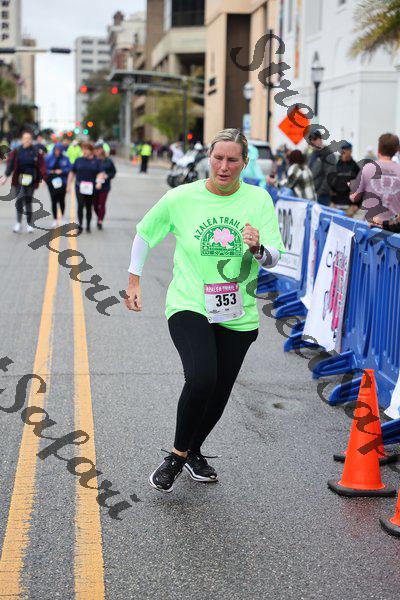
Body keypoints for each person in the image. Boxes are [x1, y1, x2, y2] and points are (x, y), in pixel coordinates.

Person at [124, 128, 285, 493]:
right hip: (190, 302)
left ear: (244, 162)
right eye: (218, 158)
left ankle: (193, 451)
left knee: (219, 391)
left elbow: (275, 257)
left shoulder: (258, 199)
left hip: (237, 311)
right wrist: (134, 281)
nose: (224, 166)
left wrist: (259, 249)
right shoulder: (181, 197)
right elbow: (145, 233)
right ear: (208, 158)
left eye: (232, 160)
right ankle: (176, 456)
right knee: (202, 378)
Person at [0, 130, 47, 233]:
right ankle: (18, 223)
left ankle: (29, 224)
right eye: (25, 138)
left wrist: (43, 178)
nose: (27, 140)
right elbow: (10, 165)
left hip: (31, 180)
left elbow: (41, 165)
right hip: (19, 180)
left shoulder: (35, 151)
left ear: (31, 140)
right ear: (22, 139)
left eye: (29, 139)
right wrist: (5, 177)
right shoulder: (17, 151)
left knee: (28, 201)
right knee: (19, 200)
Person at [350, 133, 400, 222]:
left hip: (371, 225)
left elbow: (354, 197)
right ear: (396, 150)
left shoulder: (368, 168)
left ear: (379, 148)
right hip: (393, 226)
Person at [66, 142, 103, 234]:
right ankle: (80, 226)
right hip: (80, 186)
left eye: (86, 149)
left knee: (89, 207)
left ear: (91, 151)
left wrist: (99, 182)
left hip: (91, 187)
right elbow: (72, 172)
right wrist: (68, 185)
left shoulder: (97, 161)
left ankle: (88, 225)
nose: (84, 151)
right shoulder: (78, 160)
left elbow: (100, 173)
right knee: (80, 205)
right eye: (83, 149)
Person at [327, 141, 360, 212]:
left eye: (346, 150)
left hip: (349, 205)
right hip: (335, 204)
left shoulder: (355, 167)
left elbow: (360, 186)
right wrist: (330, 201)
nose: (344, 152)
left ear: (350, 151)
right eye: (343, 150)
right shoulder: (336, 165)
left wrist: (357, 205)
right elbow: (329, 182)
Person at [45, 142, 72, 227]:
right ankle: (55, 219)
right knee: (53, 200)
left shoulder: (65, 158)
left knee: (61, 200)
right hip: (51, 182)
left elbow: (70, 168)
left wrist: (62, 171)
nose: (57, 152)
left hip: (62, 181)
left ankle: (62, 217)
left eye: (59, 150)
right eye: (56, 150)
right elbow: (44, 169)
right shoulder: (49, 158)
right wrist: (51, 171)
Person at [307, 130, 337, 206]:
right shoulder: (313, 154)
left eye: (315, 139)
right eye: (310, 140)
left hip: (322, 196)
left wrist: (320, 192)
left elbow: (330, 176)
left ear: (320, 139)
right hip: (311, 193)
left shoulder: (328, 154)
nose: (312, 142)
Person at [93, 143, 116, 229]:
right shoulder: (93, 160)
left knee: (102, 204)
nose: (98, 151)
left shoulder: (108, 161)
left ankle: (100, 220)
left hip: (105, 186)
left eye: (99, 149)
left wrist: (107, 176)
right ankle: (99, 215)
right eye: (96, 149)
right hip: (94, 185)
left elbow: (113, 172)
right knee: (95, 205)